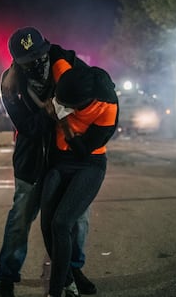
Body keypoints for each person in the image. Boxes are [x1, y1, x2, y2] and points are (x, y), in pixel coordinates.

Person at [0, 26, 96, 297]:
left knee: (78, 220)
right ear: (17, 62)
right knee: (20, 220)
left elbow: (93, 91)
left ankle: (73, 270)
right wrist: (51, 112)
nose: (38, 64)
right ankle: (5, 278)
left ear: (47, 49)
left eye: (41, 56)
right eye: (29, 62)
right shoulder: (9, 84)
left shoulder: (68, 64)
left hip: (67, 159)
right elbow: (27, 127)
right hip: (32, 163)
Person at [40, 65, 119, 297]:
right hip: (58, 161)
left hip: (89, 163)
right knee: (47, 225)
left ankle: (56, 291)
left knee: (62, 223)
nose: (61, 105)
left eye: (67, 104)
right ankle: (69, 278)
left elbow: (84, 151)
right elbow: (52, 52)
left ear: (83, 102)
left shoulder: (107, 107)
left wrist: (63, 122)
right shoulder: (67, 78)